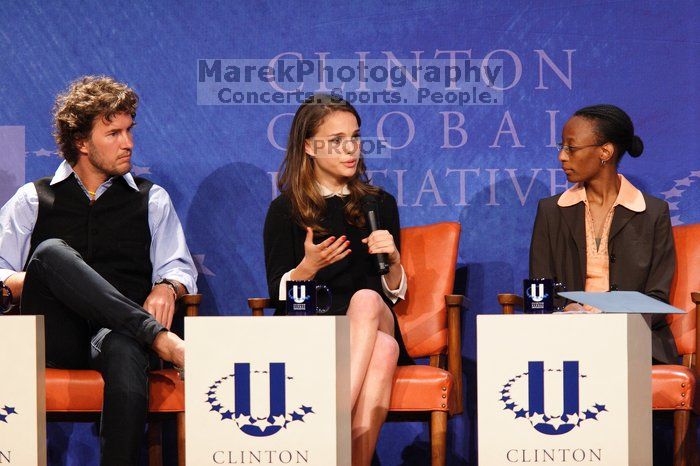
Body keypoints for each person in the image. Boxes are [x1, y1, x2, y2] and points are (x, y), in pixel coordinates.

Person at [0, 76, 198, 465]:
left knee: (126, 347)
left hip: (116, 335)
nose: (128, 143)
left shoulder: (150, 199)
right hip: (53, 336)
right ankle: (161, 340)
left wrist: (169, 287)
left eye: (129, 131)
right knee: (50, 253)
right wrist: (31, 281)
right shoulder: (33, 198)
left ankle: (147, 337)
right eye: (113, 133)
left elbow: (178, 267)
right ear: (81, 142)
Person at [263, 94, 410, 465]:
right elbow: (278, 296)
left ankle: (328, 423)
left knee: (365, 299)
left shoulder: (378, 203)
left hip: (372, 314)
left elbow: (391, 294)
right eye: (336, 140)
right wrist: (307, 268)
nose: (351, 149)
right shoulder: (286, 210)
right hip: (315, 331)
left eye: (355, 137)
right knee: (385, 351)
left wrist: (392, 260)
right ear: (309, 146)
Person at [530, 104, 677, 364]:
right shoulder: (551, 211)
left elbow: (657, 296)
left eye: (571, 148)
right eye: (561, 147)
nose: (562, 157)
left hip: (635, 343)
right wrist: (566, 308)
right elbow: (538, 292)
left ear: (605, 152)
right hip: (566, 341)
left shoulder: (652, 213)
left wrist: (611, 326)